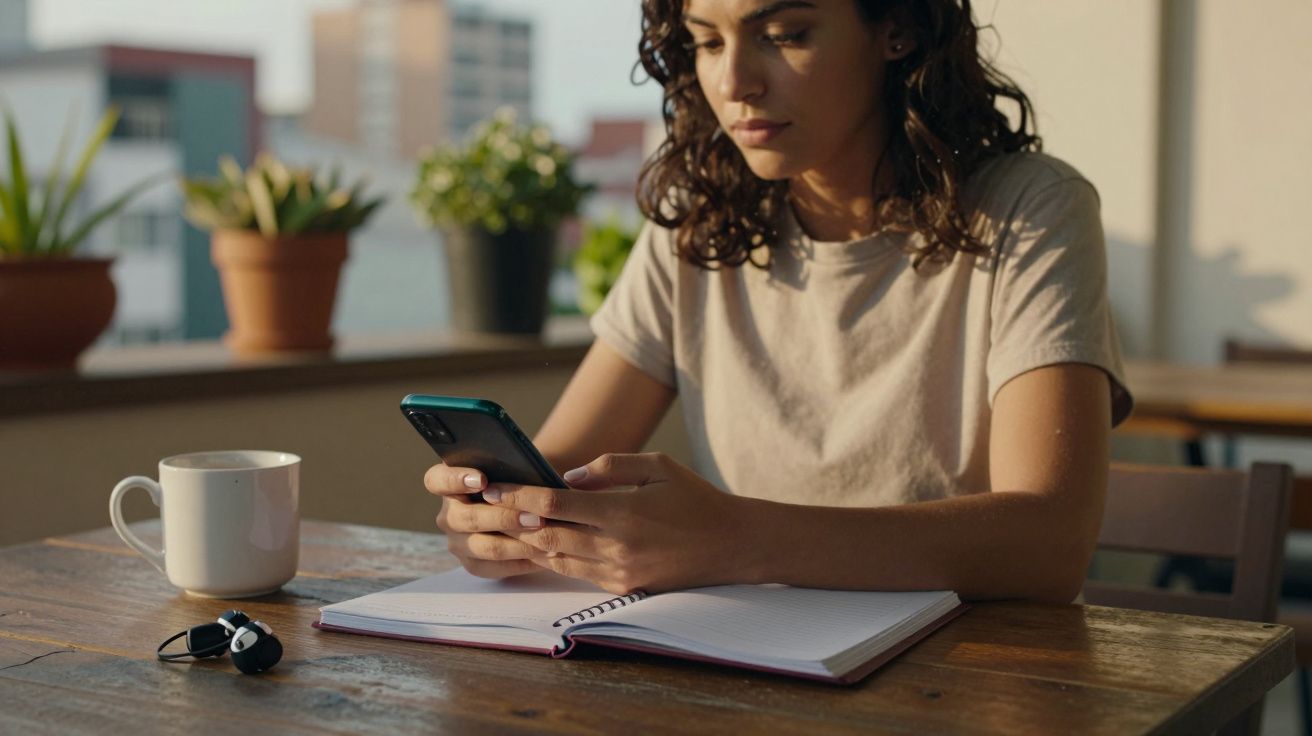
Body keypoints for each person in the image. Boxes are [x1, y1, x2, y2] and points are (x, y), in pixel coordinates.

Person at [424, 0, 1132, 603]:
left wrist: (734, 539)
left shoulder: (1031, 209)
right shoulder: (695, 219)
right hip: (753, 669)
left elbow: (1050, 545)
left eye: (785, 34)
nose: (734, 82)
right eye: (706, 41)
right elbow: (562, 462)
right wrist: (500, 517)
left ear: (897, 28)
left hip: (964, 674)